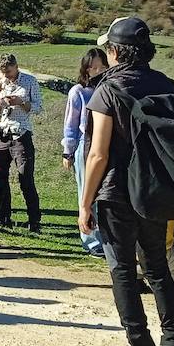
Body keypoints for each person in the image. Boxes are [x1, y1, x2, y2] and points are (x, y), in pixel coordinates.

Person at [80, 15, 174, 346]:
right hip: (155, 191)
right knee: (157, 267)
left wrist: (85, 203)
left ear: (114, 51)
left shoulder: (107, 89)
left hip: (116, 192)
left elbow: (98, 154)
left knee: (123, 269)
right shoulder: (168, 85)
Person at [0, 53, 44, 232]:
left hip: (21, 134)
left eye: (9, 72)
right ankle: (3, 216)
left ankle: (34, 221)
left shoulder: (29, 81)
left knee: (25, 177)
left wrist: (21, 102)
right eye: (4, 73)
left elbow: (38, 107)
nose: (7, 76)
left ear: (16, 66)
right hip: (3, 134)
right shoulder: (1, 82)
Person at [62, 47, 108, 255]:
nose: (97, 71)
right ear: (85, 69)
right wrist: (68, 151)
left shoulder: (109, 90)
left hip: (106, 145)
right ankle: (90, 241)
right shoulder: (79, 91)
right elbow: (71, 124)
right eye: (92, 68)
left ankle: (107, 238)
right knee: (86, 193)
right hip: (84, 145)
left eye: (101, 67)